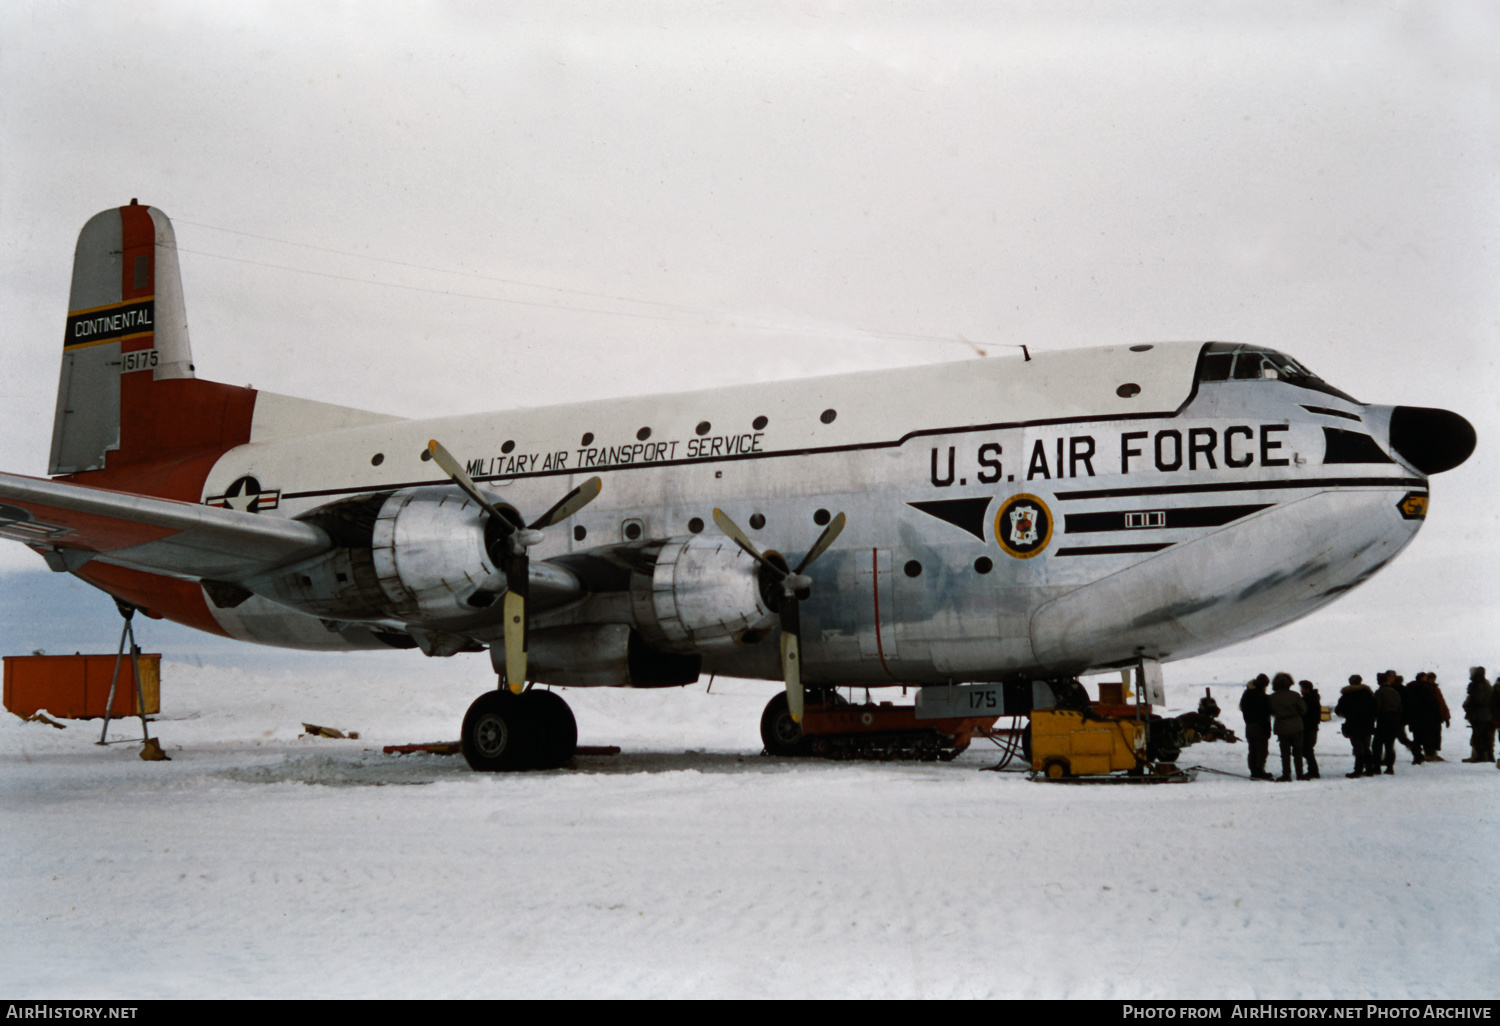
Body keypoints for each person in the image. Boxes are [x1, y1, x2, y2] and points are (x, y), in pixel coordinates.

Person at [1336, 674, 1377, 777]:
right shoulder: (1368, 694)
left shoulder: (1347, 695)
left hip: (1353, 724)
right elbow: (1375, 709)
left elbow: (1339, 710)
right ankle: (1369, 769)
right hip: (1367, 724)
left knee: (1358, 747)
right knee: (1366, 747)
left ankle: (1358, 770)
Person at [1267, 673, 1307, 781]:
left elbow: (1269, 711)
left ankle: (1286, 774)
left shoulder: (1272, 697)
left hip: (1281, 726)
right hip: (1296, 726)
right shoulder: (1295, 695)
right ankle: (1300, 774)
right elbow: (1303, 710)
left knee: (1285, 753)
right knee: (1298, 752)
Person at [1239, 674, 1273, 780]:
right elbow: (1265, 711)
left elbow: (1242, 707)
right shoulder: (1261, 696)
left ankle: (1254, 770)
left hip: (1249, 725)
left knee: (1253, 749)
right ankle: (1259, 771)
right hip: (1260, 726)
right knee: (1261, 749)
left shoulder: (1247, 693)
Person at [1374, 671, 1404, 774]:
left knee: (1377, 745)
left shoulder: (1380, 692)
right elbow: (1400, 708)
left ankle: (1377, 767)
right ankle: (1390, 767)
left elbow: (1376, 707)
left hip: (1383, 720)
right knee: (1389, 745)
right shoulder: (1395, 692)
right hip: (1394, 720)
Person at [1462, 667, 1494, 763]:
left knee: (1478, 737)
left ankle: (1480, 756)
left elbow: (1478, 699)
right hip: (1487, 715)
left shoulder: (1478, 686)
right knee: (1486, 737)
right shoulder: (1487, 685)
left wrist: (1469, 702)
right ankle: (1489, 756)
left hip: (1479, 715)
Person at [1298, 679, 1322, 779]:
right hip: (1312, 727)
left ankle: (1313, 771)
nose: (1301, 690)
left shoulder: (1308, 700)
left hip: (1308, 728)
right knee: (1307, 750)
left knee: (1307, 750)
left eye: (1302, 688)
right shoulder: (1313, 698)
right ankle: (1313, 770)